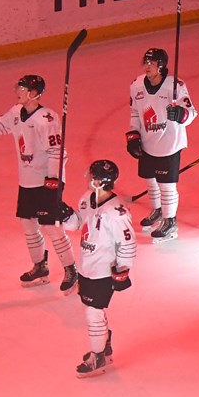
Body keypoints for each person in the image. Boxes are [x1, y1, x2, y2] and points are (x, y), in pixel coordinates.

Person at [0, 75, 79, 294]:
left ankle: (71, 269)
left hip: (46, 182)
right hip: (27, 181)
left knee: (51, 226)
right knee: (28, 223)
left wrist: (53, 182)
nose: (18, 91)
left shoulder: (47, 119)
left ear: (33, 94)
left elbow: (58, 152)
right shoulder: (15, 112)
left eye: (22, 88)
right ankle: (40, 266)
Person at [57, 159, 137, 378]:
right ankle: (105, 345)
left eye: (91, 176)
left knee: (93, 312)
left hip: (103, 269)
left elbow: (128, 242)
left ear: (100, 181)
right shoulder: (86, 199)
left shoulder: (116, 212)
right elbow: (76, 225)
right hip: (87, 267)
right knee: (94, 310)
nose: (88, 179)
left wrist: (123, 269)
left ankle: (98, 355)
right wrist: (64, 214)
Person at [125, 47, 198, 243]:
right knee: (150, 180)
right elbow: (134, 112)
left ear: (161, 65)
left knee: (167, 186)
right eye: (146, 62)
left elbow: (192, 112)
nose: (147, 66)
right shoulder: (137, 85)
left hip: (169, 144)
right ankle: (158, 210)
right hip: (147, 141)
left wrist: (181, 114)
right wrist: (133, 135)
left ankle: (170, 221)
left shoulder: (175, 86)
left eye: (152, 63)